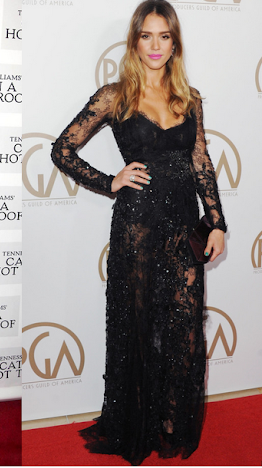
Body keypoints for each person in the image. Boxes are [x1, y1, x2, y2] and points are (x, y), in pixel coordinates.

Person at [51, 0, 226, 465]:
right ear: (134, 41)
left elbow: (201, 162)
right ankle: (136, 424)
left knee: (184, 328)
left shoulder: (190, 98)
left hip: (183, 227)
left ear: (175, 43)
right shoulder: (115, 96)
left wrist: (216, 222)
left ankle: (171, 422)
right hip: (137, 228)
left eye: (164, 36)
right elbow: (62, 150)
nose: (155, 46)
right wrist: (109, 181)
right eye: (146, 36)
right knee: (140, 327)